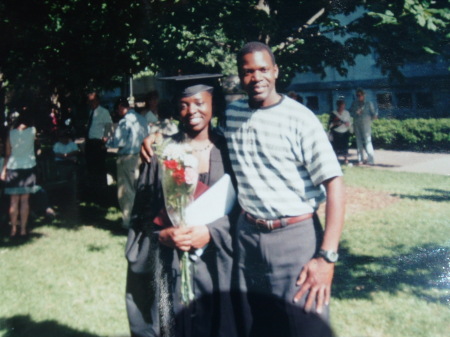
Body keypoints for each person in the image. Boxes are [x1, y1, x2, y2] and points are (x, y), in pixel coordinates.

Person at [141, 43, 345, 336]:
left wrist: (327, 258)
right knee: (257, 325)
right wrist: (157, 137)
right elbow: (196, 122)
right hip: (248, 240)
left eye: (263, 69)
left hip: (293, 238)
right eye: (248, 72)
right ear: (240, 76)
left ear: (275, 71)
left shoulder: (301, 119)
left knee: (304, 325)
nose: (256, 77)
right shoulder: (234, 116)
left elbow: (335, 184)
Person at [125, 74, 237, 337]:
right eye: (184, 104)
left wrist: (212, 231)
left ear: (213, 104)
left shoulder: (230, 151)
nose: (192, 111)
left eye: (199, 102)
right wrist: (160, 235)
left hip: (217, 265)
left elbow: (244, 210)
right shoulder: (162, 152)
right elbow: (142, 213)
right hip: (171, 264)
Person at [106, 98, 149, 229]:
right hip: (141, 156)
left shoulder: (124, 121)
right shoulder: (141, 119)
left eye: (117, 109)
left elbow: (119, 142)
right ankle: (141, 218)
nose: (117, 112)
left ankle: (128, 221)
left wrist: (107, 141)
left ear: (121, 107)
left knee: (126, 191)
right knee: (139, 188)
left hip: (127, 158)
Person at [1, 108, 40, 237]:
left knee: (13, 201)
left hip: (13, 168)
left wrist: (4, 170)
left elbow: (7, 154)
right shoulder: (33, 131)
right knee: (25, 201)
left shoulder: (11, 133)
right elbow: (36, 145)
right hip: (28, 168)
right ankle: (23, 229)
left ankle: (13, 229)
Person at [85, 92, 112, 195]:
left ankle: (102, 190)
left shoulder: (104, 112)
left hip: (98, 143)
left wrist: (105, 138)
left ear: (97, 100)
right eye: (89, 101)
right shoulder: (91, 112)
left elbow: (109, 126)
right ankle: (93, 189)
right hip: (90, 143)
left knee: (100, 167)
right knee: (91, 167)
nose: (90, 103)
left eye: (92, 100)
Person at [349, 88, 378, 165]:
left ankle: (370, 160)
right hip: (357, 124)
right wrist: (356, 113)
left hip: (366, 125)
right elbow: (350, 113)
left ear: (364, 95)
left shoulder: (368, 103)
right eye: (357, 95)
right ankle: (360, 159)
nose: (358, 97)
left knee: (368, 141)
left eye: (360, 95)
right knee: (358, 142)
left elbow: (373, 114)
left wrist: (374, 116)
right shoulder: (354, 103)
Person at [328, 98, 352, 164]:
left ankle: (346, 159)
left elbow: (350, 123)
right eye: (340, 106)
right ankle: (336, 159)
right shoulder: (333, 113)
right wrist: (335, 123)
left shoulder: (347, 113)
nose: (342, 108)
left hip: (345, 132)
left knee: (345, 146)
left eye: (343, 106)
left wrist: (348, 124)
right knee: (336, 147)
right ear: (338, 106)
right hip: (336, 132)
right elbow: (329, 125)